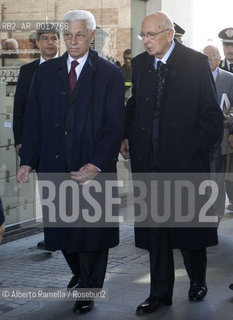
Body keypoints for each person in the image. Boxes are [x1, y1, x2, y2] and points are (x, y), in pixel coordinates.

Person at [17, 9, 124, 314]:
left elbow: (115, 126)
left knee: (93, 232)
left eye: (79, 34)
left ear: (92, 35)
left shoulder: (109, 73)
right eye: (68, 35)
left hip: (93, 168)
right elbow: (34, 121)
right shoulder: (46, 73)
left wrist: (97, 164)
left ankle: (90, 289)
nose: (73, 41)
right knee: (62, 230)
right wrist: (28, 160)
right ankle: (79, 273)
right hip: (55, 166)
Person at [120, 11, 223, 314]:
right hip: (148, 162)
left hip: (184, 164)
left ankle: (197, 281)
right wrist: (126, 136)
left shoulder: (194, 62)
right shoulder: (139, 65)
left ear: (169, 34)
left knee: (189, 228)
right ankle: (159, 293)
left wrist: (190, 150)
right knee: (156, 232)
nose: (146, 41)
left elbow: (210, 117)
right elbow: (135, 104)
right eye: (143, 36)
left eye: (151, 35)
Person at [13, 25, 60, 251]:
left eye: (54, 38)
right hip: (39, 143)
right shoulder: (27, 71)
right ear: (38, 43)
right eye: (45, 38)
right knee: (47, 190)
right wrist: (20, 140)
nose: (50, 42)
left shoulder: (69, 68)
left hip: (65, 143)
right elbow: (20, 108)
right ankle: (52, 237)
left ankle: (68, 236)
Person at [203, 44, 233, 219]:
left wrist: (229, 119)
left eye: (212, 55)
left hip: (220, 139)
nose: (208, 58)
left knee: (218, 180)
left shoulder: (229, 79)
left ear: (219, 59)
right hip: (199, 139)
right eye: (204, 55)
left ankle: (216, 217)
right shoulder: (192, 79)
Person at [218, 28, 233, 211]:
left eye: (232, 45)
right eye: (226, 45)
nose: (230, 49)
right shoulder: (215, 68)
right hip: (221, 134)